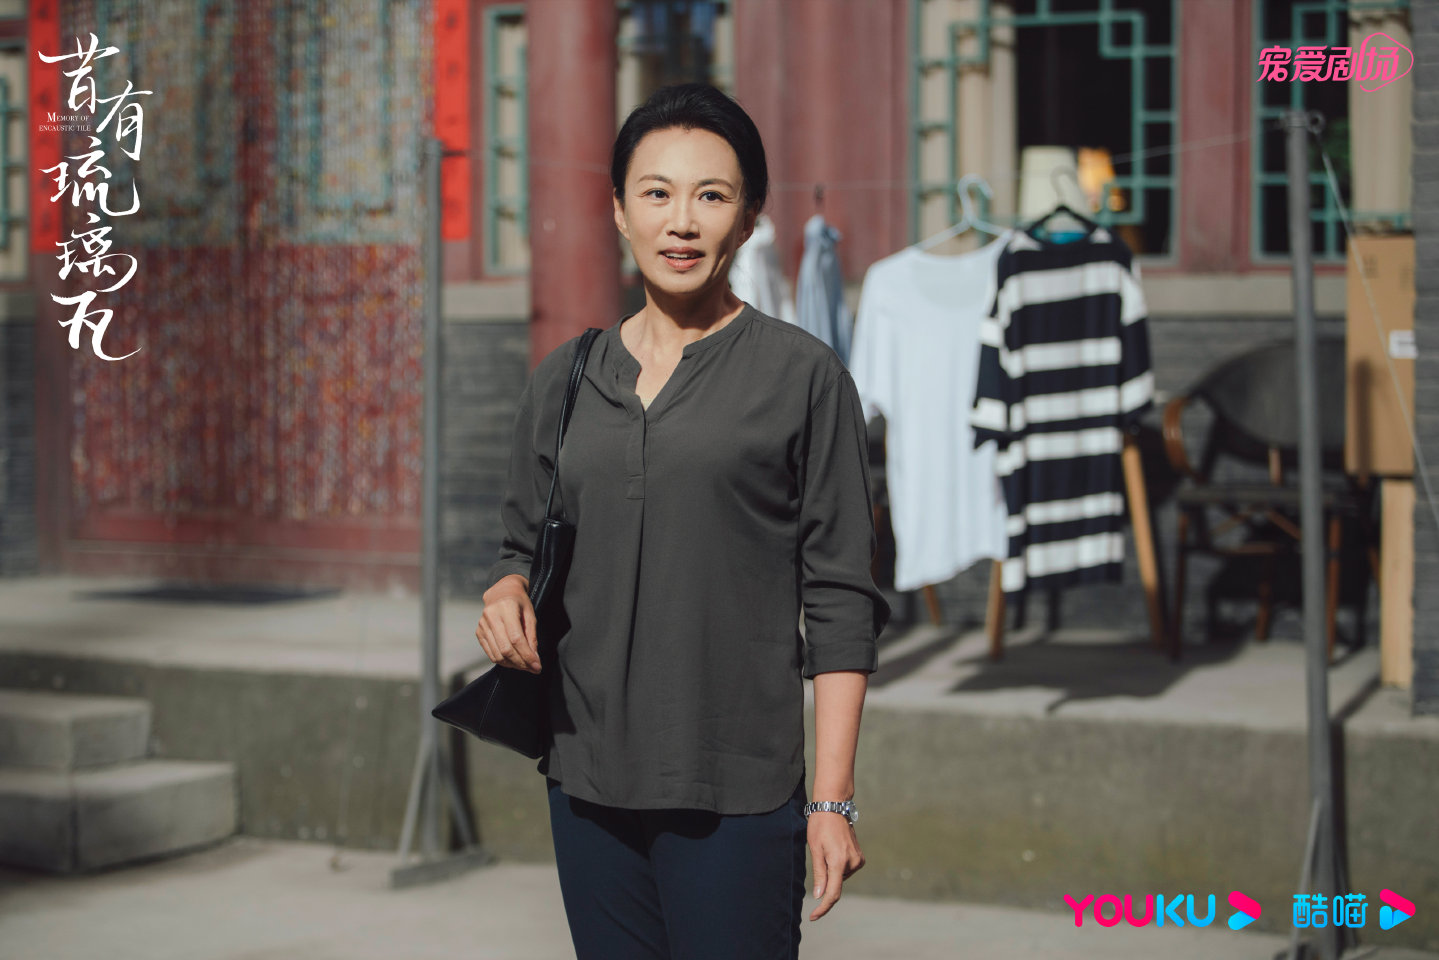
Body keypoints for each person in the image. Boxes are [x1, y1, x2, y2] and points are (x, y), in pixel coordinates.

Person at [474, 82, 891, 960]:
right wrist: (505, 591)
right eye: (657, 193)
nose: (682, 222)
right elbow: (522, 546)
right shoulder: (567, 378)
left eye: (711, 195)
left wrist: (832, 800)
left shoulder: (802, 377)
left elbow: (841, 600)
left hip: (736, 787)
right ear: (619, 211)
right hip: (586, 776)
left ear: (748, 218)